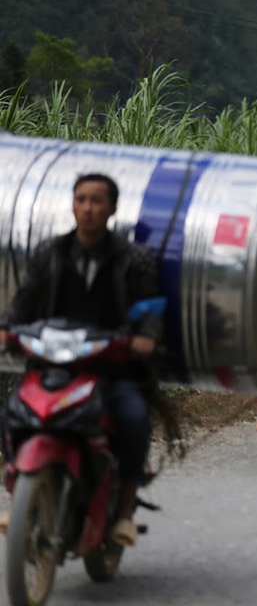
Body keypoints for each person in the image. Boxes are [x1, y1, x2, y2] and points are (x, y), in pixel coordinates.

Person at [0, 173, 162, 548]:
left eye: (97, 200)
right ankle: (18, 495)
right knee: (11, 416)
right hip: (52, 365)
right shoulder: (50, 252)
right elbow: (24, 300)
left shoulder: (133, 258)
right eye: (81, 199)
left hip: (112, 368)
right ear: (72, 205)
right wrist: (7, 328)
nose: (88, 208)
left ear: (113, 209)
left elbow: (151, 307)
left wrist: (146, 337)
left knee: (134, 419)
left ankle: (124, 513)